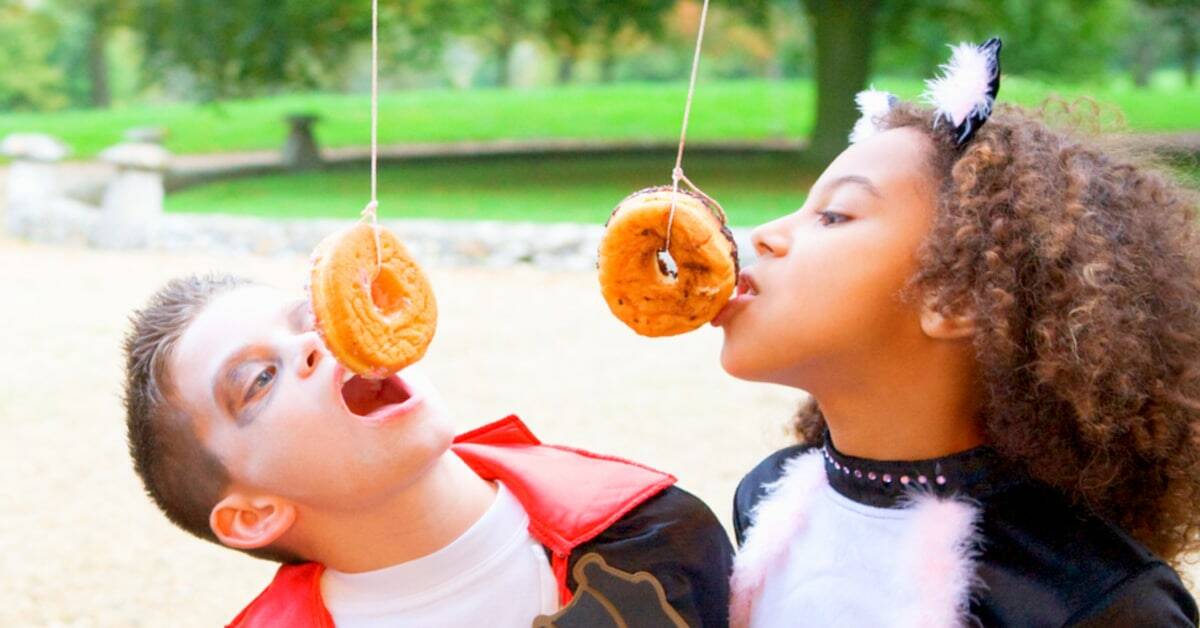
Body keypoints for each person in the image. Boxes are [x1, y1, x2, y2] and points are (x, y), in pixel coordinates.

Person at [720, 38, 1200, 627]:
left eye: (835, 215)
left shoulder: (1094, 600)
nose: (765, 234)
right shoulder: (768, 501)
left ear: (955, 294)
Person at [122, 274, 733, 627]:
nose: (314, 341)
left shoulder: (656, 535)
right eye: (258, 378)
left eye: (310, 317)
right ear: (254, 514)